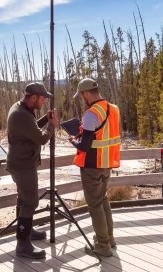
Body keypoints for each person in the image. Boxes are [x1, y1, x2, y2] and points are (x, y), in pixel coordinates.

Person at [69, 78, 121, 257]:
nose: (82, 99)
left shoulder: (91, 114)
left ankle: (103, 245)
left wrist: (74, 141)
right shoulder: (113, 109)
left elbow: (84, 146)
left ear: (85, 93)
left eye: (81, 95)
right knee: (103, 199)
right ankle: (109, 238)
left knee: (95, 204)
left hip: (92, 164)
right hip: (108, 162)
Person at [7, 82, 58, 259]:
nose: (44, 101)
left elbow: (31, 128)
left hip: (21, 163)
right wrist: (52, 125)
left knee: (24, 200)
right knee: (30, 202)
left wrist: (45, 119)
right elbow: (41, 138)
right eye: (43, 98)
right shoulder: (21, 115)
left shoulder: (21, 109)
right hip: (23, 166)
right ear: (34, 97)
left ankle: (25, 232)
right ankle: (23, 244)